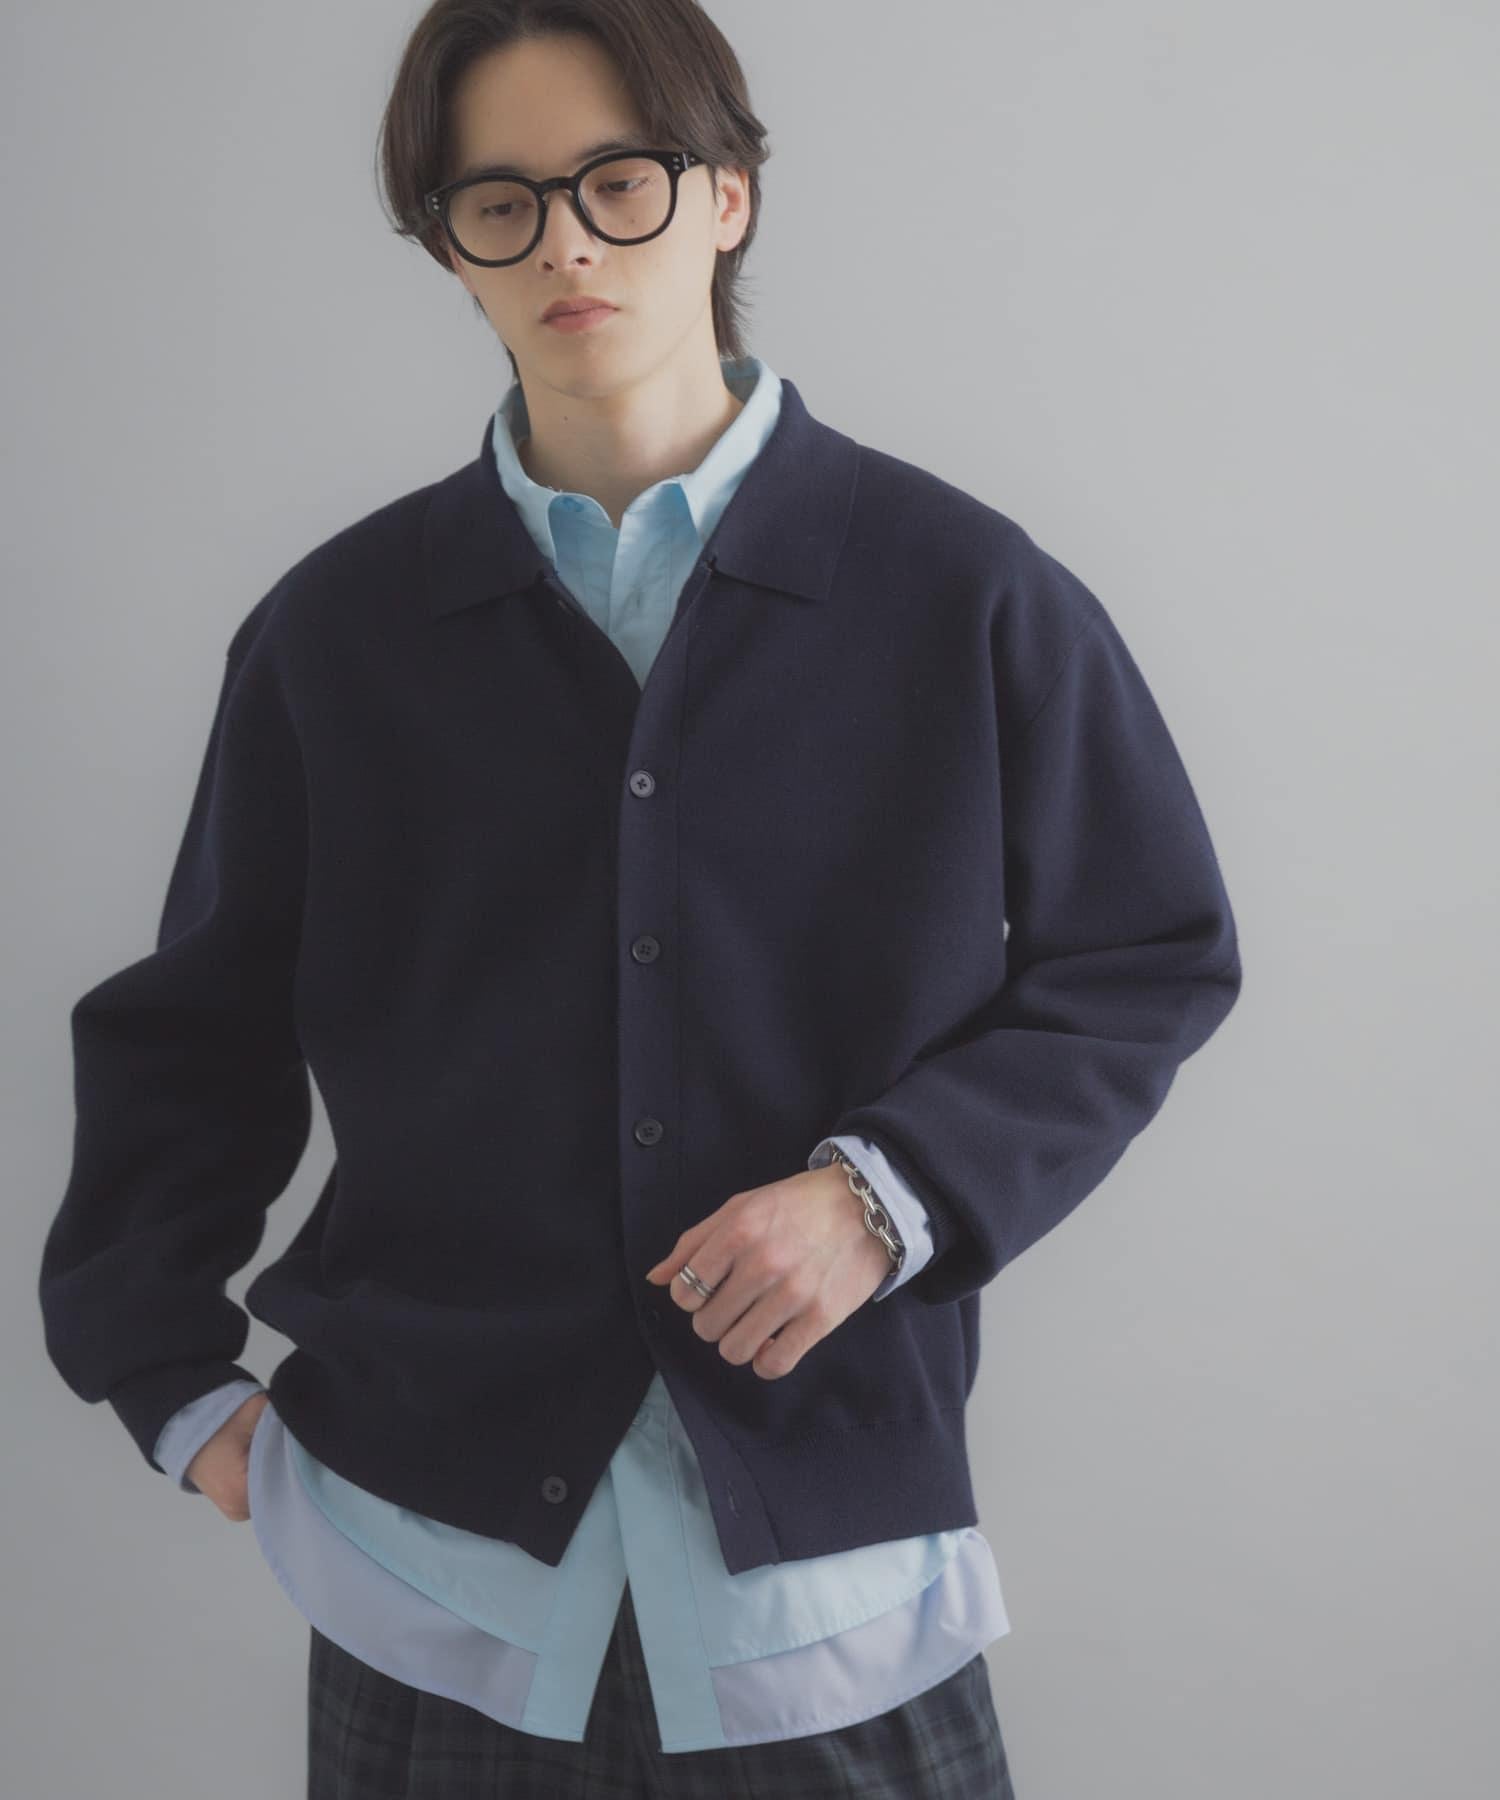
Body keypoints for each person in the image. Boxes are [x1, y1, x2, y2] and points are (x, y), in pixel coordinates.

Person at [38, 2, 1242, 1794]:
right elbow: (195, 1025)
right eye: (501, 202)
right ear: (449, 247)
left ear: (728, 195)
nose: (569, 244)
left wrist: (886, 1194)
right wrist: (169, 1381)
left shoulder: (962, 593)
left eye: (620, 179)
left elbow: (1147, 953)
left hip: (821, 1589)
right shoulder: (337, 634)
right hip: (428, 1583)